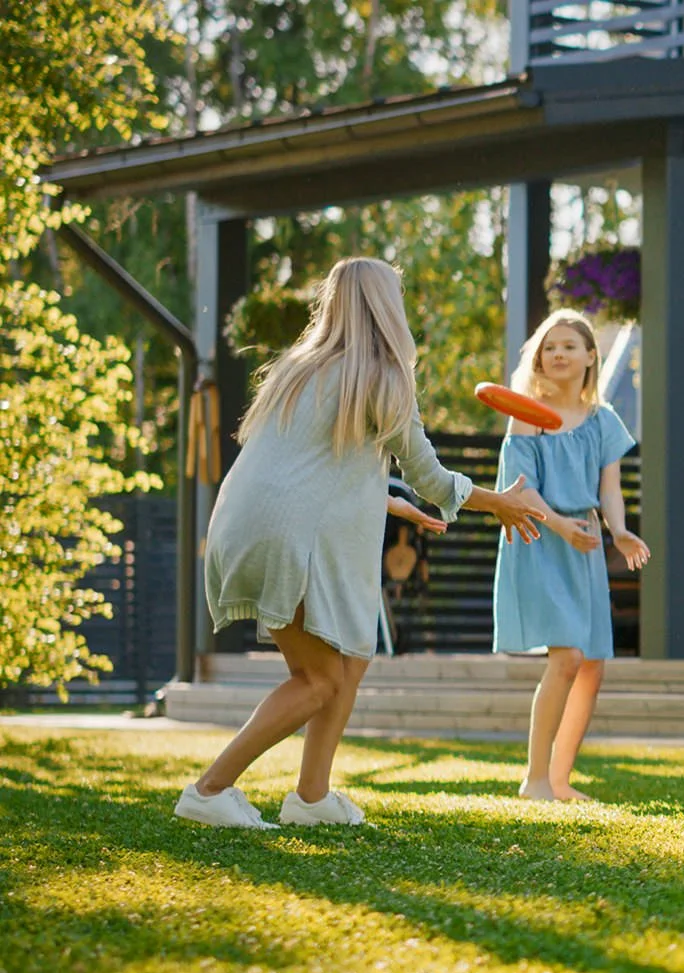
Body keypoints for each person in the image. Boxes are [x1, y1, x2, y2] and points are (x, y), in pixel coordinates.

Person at [176, 257, 551, 829]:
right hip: (288, 537)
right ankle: (209, 789)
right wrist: (500, 501)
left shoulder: (297, 370)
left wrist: (388, 499)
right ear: (386, 308)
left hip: (243, 525)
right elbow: (431, 476)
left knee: (351, 658)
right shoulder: (383, 376)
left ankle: (312, 797)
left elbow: (309, 469)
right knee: (320, 679)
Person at [490, 310, 648, 801]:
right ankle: (534, 780)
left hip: (585, 545)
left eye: (568, 346)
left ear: (589, 356)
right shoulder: (526, 415)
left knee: (591, 665)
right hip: (540, 540)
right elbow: (520, 490)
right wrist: (560, 526)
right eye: (549, 346)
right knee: (568, 657)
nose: (557, 354)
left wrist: (617, 531)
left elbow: (611, 488)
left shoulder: (603, 420)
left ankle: (559, 781)